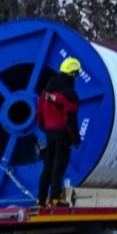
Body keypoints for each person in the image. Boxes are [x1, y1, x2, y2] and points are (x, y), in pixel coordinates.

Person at [35, 57, 81, 207]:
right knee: (59, 165)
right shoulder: (69, 94)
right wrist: (75, 138)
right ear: (72, 74)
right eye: (76, 74)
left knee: (48, 165)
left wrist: (44, 126)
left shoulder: (47, 91)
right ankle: (55, 198)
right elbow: (70, 119)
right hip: (62, 135)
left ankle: (41, 199)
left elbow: (39, 111)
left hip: (49, 132)